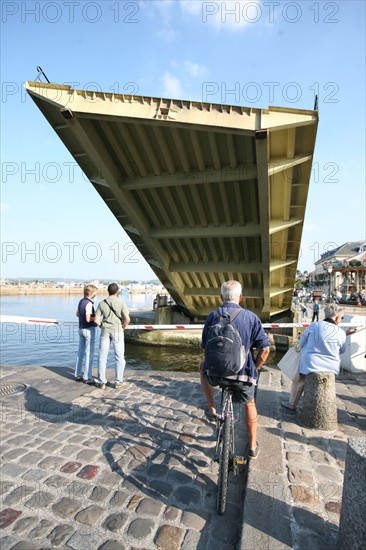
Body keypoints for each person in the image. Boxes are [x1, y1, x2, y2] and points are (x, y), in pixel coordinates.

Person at [200, 280, 270, 459]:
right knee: (250, 404)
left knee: (202, 367)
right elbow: (265, 350)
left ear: (221, 297)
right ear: (241, 297)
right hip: (243, 376)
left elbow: (205, 347)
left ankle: (212, 408)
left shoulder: (212, 316)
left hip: (215, 374)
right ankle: (252, 446)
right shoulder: (251, 318)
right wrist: (254, 367)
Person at [281, 304, 356, 412]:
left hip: (310, 364)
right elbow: (342, 350)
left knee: (299, 380)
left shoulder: (314, 326)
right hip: (331, 368)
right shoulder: (341, 332)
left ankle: (292, 404)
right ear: (337, 318)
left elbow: (300, 344)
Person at [94, 283, 130, 389]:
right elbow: (127, 319)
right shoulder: (121, 302)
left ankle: (101, 382)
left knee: (102, 356)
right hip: (118, 331)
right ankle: (118, 381)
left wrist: (102, 326)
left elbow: (96, 320)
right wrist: (122, 327)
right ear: (117, 291)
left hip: (105, 331)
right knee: (119, 357)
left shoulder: (102, 303)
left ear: (108, 291)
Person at [74, 284, 98, 383]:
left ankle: (78, 374)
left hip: (81, 329)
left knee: (80, 353)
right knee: (89, 354)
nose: (96, 294)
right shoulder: (89, 303)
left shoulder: (81, 301)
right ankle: (87, 377)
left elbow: (77, 314)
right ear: (91, 293)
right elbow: (88, 319)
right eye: (95, 292)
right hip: (88, 329)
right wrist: (97, 317)